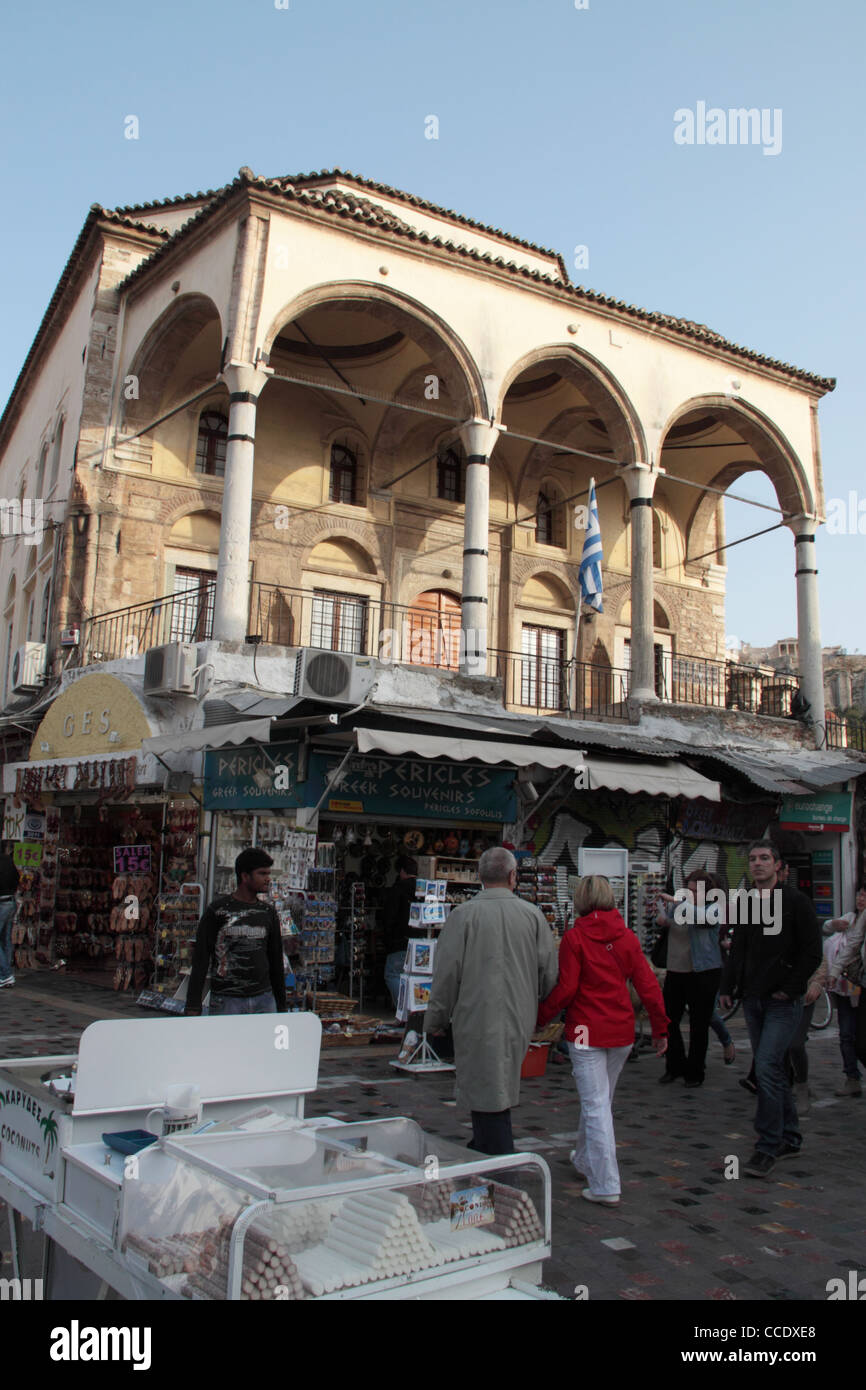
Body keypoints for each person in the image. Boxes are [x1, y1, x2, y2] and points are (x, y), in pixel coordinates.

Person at [538, 875, 668, 1205]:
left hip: (585, 1030)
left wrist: (539, 1017)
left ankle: (606, 1183)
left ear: (580, 899)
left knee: (595, 1104)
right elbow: (648, 986)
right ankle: (585, 1159)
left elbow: (566, 989)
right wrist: (661, 1028)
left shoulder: (574, 937)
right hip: (620, 1031)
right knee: (599, 1101)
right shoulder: (626, 937)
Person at [425, 846, 558, 1156]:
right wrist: (535, 1004)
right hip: (519, 1015)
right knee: (498, 1085)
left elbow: (445, 976)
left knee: (488, 1089)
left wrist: (435, 1020)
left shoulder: (463, 916)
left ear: (480, 877)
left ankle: (495, 1162)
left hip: (475, 1016)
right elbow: (548, 973)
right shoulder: (532, 916)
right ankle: (486, 1152)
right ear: (513, 876)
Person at [719, 840, 821, 1178]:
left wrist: (790, 988)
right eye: (753, 859)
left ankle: (767, 1145)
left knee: (764, 1068)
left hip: (781, 1001)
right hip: (753, 999)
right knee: (773, 1070)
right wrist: (728, 987)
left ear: (778, 865)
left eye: (765, 858)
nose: (758, 864)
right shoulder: (747, 902)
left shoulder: (796, 902)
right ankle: (790, 1137)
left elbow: (811, 951)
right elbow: (739, 949)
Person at [185, 848, 287, 1016]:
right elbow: (201, 959)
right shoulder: (216, 911)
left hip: (264, 998)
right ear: (245, 876)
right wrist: (193, 1005)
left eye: (268, 873)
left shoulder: (268, 912)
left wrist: (281, 1004)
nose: (268, 879)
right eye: (262, 874)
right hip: (227, 1000)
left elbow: (275, 959)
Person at [654, 870, 725, 1087]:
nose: (692, 894)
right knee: (670, 1020)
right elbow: (672, 921)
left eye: (696, 890)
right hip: (676, 969)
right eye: (690, 889)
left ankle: (695, 1071)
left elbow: (704, 919)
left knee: (699, 1023)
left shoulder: (713, 908)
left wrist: (677, 902)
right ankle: (674, 1065)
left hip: (703, 971)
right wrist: (663, 918)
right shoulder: (680, 905)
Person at [819, 888, 866, 1096]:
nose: (860, 899)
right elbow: (852, 944)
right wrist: (835, 971)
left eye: (865, 895)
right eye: (859, 895)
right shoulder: (852, 918)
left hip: (856, 984)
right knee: (851, 1036)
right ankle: (852, 1077)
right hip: (850, 984)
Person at [381, 856, 418, 1010]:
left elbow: (389, 916)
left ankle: (404, 1009)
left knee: (393, 975)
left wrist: (387, 936)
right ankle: (415, 1010)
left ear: (402, 871)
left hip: (400, 941)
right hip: (421, 941)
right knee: (415, 978)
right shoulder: (423, 888)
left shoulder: (398, 889)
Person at [0, 843, 19, 988]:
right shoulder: (8, 861)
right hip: (11, 901)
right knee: (6, 939)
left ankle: (6, 974)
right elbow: (17, 877)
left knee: (5, 939)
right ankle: (6, 974)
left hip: (1, 903)